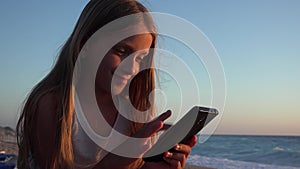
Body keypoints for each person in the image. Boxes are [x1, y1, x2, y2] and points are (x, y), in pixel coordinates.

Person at [16, 0, 197, 169]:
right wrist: (114, 162)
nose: (132, 68)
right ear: (85, 44)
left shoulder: (135, 111)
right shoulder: (53, 106)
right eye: (122, 51)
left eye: (140, 58)